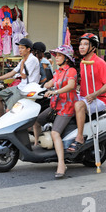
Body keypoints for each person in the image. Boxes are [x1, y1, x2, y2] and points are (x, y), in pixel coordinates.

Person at [33, 45, 78, 178]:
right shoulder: (58, 72)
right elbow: (50, 83)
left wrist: (55, 91)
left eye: (59, 55)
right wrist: (41, 87)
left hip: (67, 107)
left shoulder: (71, 71)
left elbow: (70, 85)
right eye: (56, 55)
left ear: (66, 58)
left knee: (55, 133)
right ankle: (37, 145)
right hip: (55, 106)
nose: (56, 57)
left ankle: (61, 163)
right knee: (36, 121)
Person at [70, 33, 106, 152]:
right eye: (80, 44)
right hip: (84, 96)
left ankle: (79, 138)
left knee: (79, 105)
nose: (81, 47)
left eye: (85, 44)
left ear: (93, 48)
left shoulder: (100, 63)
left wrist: (94, 94)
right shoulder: (83, 62)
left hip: (99, 99)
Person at [0, 38, 40, 117]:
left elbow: (23, 76)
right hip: (20, 87)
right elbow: (12, 72)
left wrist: (22, 64)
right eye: (19, 48)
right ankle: (1, 120)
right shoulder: (24, 59)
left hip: (26, 89)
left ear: (28, 49)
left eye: (22, 48)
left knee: (9, 110)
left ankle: (6, 124)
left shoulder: (32, 60)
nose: (20, 50)